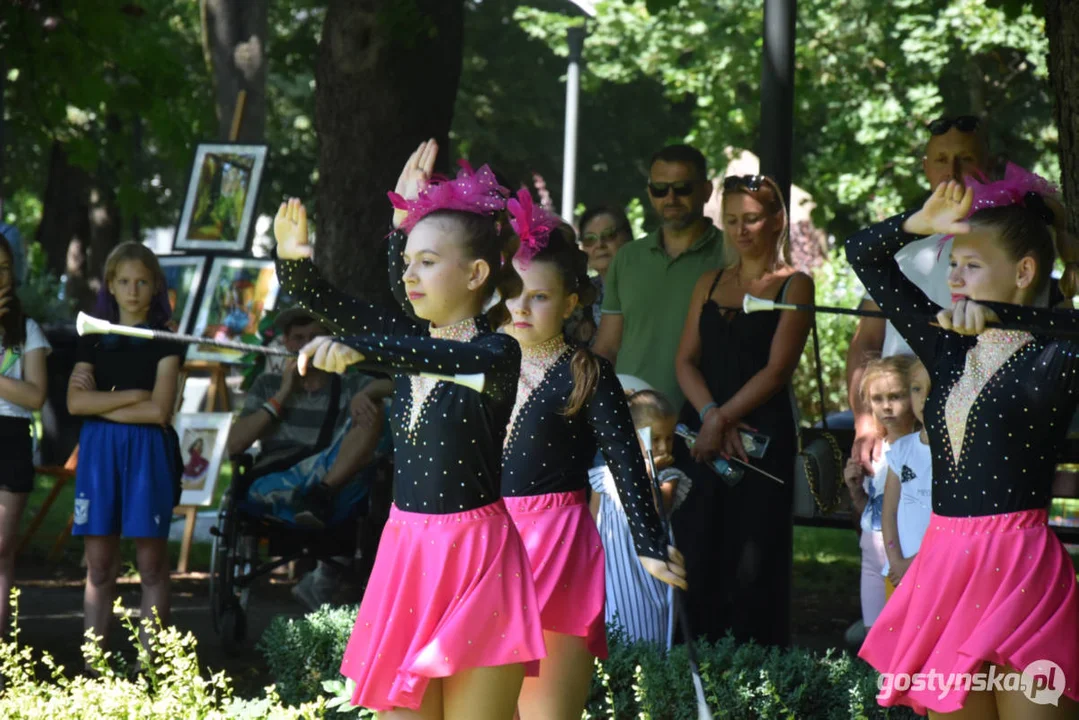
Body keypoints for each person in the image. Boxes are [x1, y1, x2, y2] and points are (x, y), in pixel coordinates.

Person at [272, 141, 545, 719]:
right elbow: (337, 306)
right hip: (407, 554)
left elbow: (421, 353)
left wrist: (359, 350)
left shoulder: (495, 353)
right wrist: (293, 260)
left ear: (475, 272)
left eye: (427, 262)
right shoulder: (414, 345)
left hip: (477, 560)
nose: (409, 274)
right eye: (407, 262)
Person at [848, 175, 1079, 718]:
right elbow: (864, 254)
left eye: (971, 266)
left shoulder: (1058, 355)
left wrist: (1014, 317)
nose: (954, 277)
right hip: (947, 565)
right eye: (953, 263)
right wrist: (914, 225)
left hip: (1022, 571)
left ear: (1024, 272)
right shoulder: (946, 346)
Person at [498, 191, 686, 719]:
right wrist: (404, 228)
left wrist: (651, 544)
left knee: (546, 709)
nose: (521, 306)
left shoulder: (588, 372)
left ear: (570, 302)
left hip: (556, 541)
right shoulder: (482, 360)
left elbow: (629, 463)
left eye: (538, 296)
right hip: (488, 541)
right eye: (513, 292)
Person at [672, 173, 812, 647]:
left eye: (751, 219)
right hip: (702, 440)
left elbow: (777, 371)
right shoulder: (709, 282)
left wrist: (720, 419)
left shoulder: (794, 285)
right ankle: (691, 669)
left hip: (760, 442)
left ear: (777, 221)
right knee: (697, 550)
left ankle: (756, 678)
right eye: (731, 220)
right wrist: (710, 416)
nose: (740, 230)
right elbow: (684, 360)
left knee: (754, 563)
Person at [67, 242, 183, 653]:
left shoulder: (167, 340)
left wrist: (105, 405)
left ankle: (151, 665)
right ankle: (93, 668)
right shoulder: (93, 337)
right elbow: (74, 403)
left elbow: (160, 412)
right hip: (99, 455)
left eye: (142, 282)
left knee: (151, 565)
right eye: (124, 281)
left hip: (147, 454)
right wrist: (136, 395)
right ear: (111, 287)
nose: (133, 290)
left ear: (155, 287)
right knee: (99, 566)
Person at [226, 305, 392, 528]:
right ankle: (312, 503)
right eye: (298, 337)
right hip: (279, 480)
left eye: (315, 337)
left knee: (376, 406)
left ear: (331, 343)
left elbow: (398, 385)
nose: (307, 345)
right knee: (263, 491)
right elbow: (235, 444)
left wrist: (368, 393)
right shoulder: (267, 385)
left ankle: (320, 495)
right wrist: (283, 393)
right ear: (286, 341)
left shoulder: (351, 386)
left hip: (336, 489)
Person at [593, 144, 728, 410]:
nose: (671, 198)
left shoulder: (731, 256)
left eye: (682, 188)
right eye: (660, 189)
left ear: (707, 191)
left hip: (703, 422)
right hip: (631, 420)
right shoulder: (627, 257)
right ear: (649, 193)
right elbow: (607, 347)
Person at [589, 389, 690, 648]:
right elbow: (591, 522)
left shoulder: (669, 477)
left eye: (669, 439)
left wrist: (646, 472)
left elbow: (656, 509)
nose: (663, 447)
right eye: (654, 439)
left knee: (648, 636)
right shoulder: (603, 476)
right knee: (612, 635)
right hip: (612, 572)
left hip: (649, 577)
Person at [842, 355, 918, 634]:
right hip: (872, 556)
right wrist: (854, 489)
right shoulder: (875, 452)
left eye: (895, 396)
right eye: (877, 399)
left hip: (905, 557)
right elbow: (872, 512)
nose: (886, 406)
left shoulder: (923, 451)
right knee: (875, 634)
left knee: (906, 634)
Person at [0, 231, 49, 634]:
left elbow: (34, 395)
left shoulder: (26, 328)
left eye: (3, 268)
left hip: (11, 436)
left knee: (2, 549)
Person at [880, 358, 932, 600]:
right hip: (898, 572)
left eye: (935, 388)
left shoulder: (959, 456)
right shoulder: (901, 450)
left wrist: (916, 562)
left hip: (938, 571)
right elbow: (888, 511)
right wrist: (896, 562)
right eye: (917, 388)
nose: (925, 397)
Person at [577, 205, 632, 329]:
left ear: (628, 239)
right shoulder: (581, 294)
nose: (600, 244)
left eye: (609, 235)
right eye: (590, 239)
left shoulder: (646, 286)